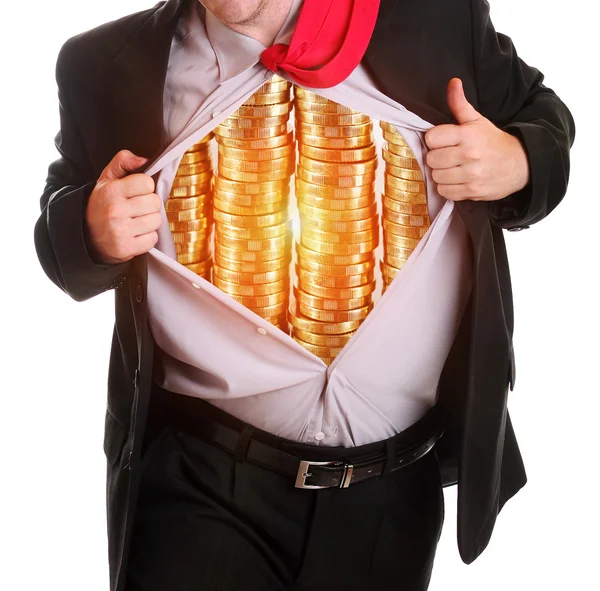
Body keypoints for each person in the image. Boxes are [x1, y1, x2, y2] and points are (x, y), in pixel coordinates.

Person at [33, 0, 575, 590]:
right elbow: (59, 222)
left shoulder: (435, 16)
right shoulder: (104, 64)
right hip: (203, 480)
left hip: (391, 497)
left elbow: (542, 115)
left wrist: (518, 162)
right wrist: (90, 231)